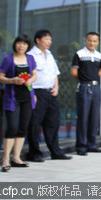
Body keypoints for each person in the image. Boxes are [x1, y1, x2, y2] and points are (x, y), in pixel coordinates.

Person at [26, 29, 72, 162]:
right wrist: (31, 93)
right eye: (46, 39)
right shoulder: (31, 55)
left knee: (53, 123)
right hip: (37, 93)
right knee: (35, 124)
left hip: (51, 93)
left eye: (50, 39)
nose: (49, 42)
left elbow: (54, 74)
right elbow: (27, 77)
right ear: (38, 40)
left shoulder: (50, 55)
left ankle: (55, 151)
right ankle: (34, 153)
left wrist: (56, 87)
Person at [0, 34, 37, 172]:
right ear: (15, 44)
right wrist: (12, 80)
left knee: (22, 127)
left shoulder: (30, 58)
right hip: (13, 98)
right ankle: (6, 159)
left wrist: (30, 81)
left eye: (24, 44)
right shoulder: (8, 59)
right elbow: (0, 77)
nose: (21, 46)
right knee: (12, 127)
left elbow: (34, 74)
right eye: (19, 43)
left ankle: (17, 158)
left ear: (28, 46)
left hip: (27, 97)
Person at [71, 32, 101, 156]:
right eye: (90, 40)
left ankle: (92, 144)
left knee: (94, 117)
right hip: (84, 86)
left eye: (95, 41)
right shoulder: (79, 54)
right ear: (86, 41)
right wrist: (85, 78)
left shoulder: (99, 55)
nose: (92, 43)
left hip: (96, 87)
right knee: (83, 117)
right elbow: (74, 72)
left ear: (98, 42)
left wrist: (93, 77)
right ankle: (81, 146)